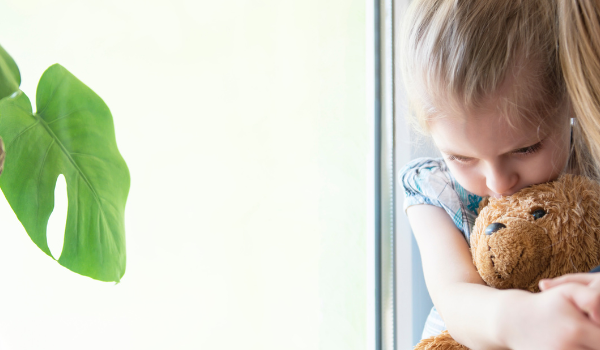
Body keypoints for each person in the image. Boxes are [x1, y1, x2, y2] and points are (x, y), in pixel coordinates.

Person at [399, 0, 600, 349]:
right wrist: (518, 319)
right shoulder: (436, 192)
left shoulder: (589, 161)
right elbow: (455, 295)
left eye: (525, 149)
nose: (497, 182)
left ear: (569, 101)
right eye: (461, 157)